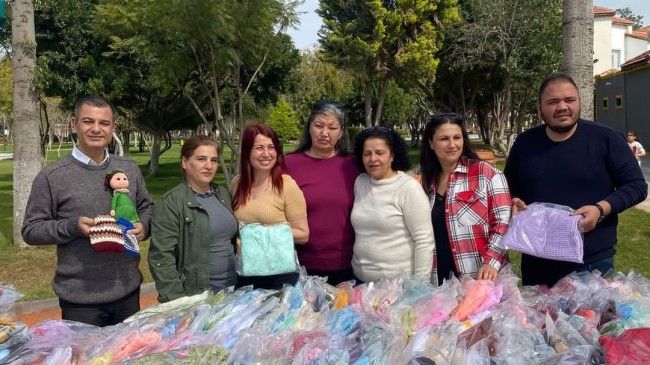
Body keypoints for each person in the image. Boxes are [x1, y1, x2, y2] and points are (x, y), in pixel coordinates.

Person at [504, 73, 648, 287]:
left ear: (579, 102)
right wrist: (513, 200)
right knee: (539, 321)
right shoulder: (525, 144)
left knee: (594, 321)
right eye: (552, 102)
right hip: (537, 261)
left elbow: (636, 186)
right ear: (539, 107)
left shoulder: (606, 139)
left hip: (592, 262)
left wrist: (600, 209)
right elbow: (508, 186)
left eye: (569, 100)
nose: (562, 107)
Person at [22, 95, 153, 326]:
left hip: (128, 290)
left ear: (113, 127)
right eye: (87, 121)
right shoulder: (52, 176)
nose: (96, 129)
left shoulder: (129, 169)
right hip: (80, 300)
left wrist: (144, 226)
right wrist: (72, 227)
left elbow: (146, 208)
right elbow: (31, 230)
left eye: (103, 123)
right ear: (74, 124)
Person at [419, 113, 511, 286]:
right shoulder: (426, 183)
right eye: (444, 139)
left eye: (457, 137)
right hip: (440, 279)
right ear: (431, 143)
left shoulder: (486, 173)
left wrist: (490, 262)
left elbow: (503, 222)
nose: (452, 145)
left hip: (481, 278)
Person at [148, 135, 237, 303]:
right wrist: (177, 303)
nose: (209, 166)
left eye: (214, 160)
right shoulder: (171, 203)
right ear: (184, 162)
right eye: (201, 159)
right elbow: (161, 256)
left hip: (232, 291)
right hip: (196, 297)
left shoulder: (223, 194)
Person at [283, 100, 359, 286]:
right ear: (309, 127)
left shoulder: (354, 165)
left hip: (347, 265)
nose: (324, 133)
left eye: (332, 127)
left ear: (341, 132)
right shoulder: (289, 164)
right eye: (319, 125)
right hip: (302, 266)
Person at [351, 126, 434, 283]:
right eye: (367, 153)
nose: (373, 158)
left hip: (398, 286)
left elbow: (424, 240)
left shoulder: (408, 187)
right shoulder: (360, 182)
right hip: (360, 283)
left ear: (392, 155)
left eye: (380, 153)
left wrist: (420, 284)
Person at [231, 124, 309, 290]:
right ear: (247, 152)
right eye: (259, 148)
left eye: (271, 147)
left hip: (280, 276)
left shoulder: (286, 185)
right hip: (245, 273)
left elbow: (303, 234)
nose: (266, 154)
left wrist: (268, 232)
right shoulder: (237, 184)